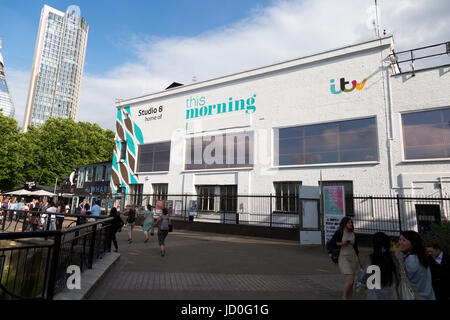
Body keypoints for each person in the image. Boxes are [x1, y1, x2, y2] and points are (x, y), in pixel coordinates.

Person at [328, 216, 363, 300]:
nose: (350, 224)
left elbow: (356, 249)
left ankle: (349, 297)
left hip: (353, 258)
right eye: (348, 223)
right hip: (343, 257)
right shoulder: (339, 232)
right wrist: (341, 243)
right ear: (344, 224)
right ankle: (344, 297)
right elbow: (331, 243)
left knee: (352, 281)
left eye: (351, 222)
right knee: (350, 280)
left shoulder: (353, 233)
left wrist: (360, 261)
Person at [393, 231, 435, 300]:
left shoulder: (411, 259)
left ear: (413, 243)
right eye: (400, 239)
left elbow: (403, 277)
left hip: (416, 297)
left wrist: (397, 256)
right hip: (429, 296)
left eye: (404, 240)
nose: (400, 242)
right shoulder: (420, 256)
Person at [360, 232, 399, 300]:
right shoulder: (393, 258)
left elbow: (364, 278)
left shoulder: (371, 258)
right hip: (391, 295)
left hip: (374, 296)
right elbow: (398, 277)